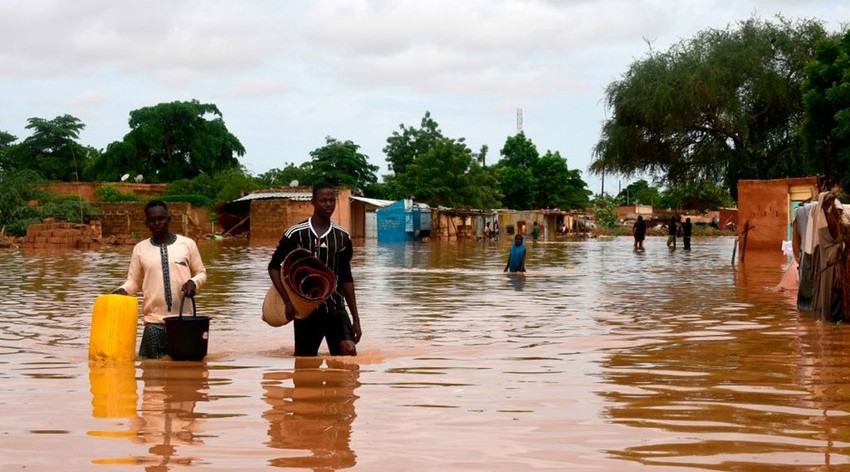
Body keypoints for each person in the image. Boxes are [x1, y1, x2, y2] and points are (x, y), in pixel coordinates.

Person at [267, 182, 362, 357]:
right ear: (313, 202)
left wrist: (356, 319)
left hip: (334, 307)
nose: (328, 205)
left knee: (348, 351)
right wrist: (287, 301)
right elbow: (273, 267)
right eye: (323, 200)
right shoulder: (296, 233)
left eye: (331, 200)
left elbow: (346, 277)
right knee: (304, 363)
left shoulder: (342, 237)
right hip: (305, 310)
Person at [113, 200, 207, 359]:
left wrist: (193, 282)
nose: (157, 223)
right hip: (153, 323)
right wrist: (121, 291)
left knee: (186, 375)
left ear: (169, 219)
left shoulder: (187, 244)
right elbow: (134, 282)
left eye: (161, 218)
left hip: (184, 322)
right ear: (146, 223)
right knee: (150, 372)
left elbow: (201, 273)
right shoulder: (140, 249)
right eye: (152, 220)